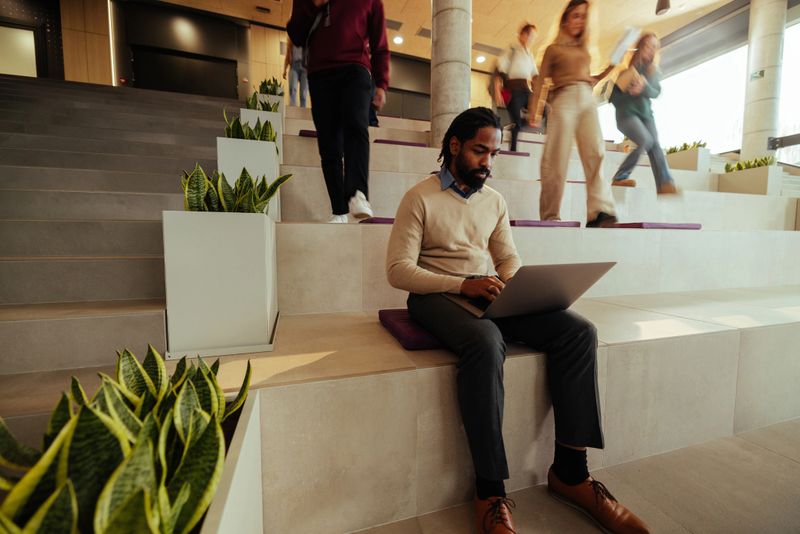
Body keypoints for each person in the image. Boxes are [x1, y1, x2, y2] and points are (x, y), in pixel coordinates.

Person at [386, 107, 650, 534]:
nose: (487, 162)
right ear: (454, 146)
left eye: (493, 154)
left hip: (483, 291)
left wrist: (518, 286)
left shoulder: (494, 201)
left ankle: (571, 472)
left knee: (578, 331)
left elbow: (507, 258)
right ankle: (489, 491)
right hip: (434, 295)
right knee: (486, 341)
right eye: (478, 151)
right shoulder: (419, 196)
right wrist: (461, 284)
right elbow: (398, 270)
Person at [287, 0, 389, 223]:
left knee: (356, 127)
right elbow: (296, 34)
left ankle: (357, 193)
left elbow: (379, 43)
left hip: (356, 68)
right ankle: (339, 210)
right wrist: (312, 5)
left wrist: (381, 83)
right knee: (328, 142)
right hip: (319, 73)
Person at [529, 0, 618, 227]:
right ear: (566, 17)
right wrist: (534, 111)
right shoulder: (553, 49)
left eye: (584, 17)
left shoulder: (584, 50)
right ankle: (550, 216)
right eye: (576, 15)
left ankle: (598, 212)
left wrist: (603, 73)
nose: (580, 21)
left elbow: (586, 76)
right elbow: (541, 83)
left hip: (587, 98)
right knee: (556, 159)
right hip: (563, 98)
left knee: (596, 153)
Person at [609, 32, 678, 194]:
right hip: (626, 115)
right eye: (647, 45)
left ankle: (665, 183)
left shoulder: (653, 72)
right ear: (640, 47)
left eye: (654, 46)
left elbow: (656, 92)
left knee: (655, 144)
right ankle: (620, 177)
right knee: (645, 140)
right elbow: (613, 99)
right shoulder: (626, 71)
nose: (650, 49)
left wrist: (643, 87)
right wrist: (629, 92)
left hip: (646, 115)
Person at [494, 23, 539, 152]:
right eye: (531, 36)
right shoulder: (512, 49)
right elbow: (500, 70)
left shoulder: (530, 54)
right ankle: (513, 150)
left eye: (534, 37)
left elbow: (535, 75)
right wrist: (497, 90)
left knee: (545, 111)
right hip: (513, 90)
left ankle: (514, 126)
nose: (532, 40)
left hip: (526, 89)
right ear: (523, 35)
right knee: (518, 124)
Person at [283, 38, 308, 108]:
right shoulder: (291, 41)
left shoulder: (306, 40)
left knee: (303, 92)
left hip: (305, 68)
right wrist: (284, 70)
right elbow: (287, 57)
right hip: (294, 66)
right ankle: (293, 108)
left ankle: (303, 112)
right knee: (293, 89)